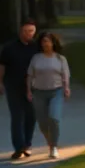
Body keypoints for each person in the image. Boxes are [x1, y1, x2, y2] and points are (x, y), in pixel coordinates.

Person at [0, 18, 38, 159]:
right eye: (25, 31)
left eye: (31, 31)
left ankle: (27, 145)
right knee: (17, 116)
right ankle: (19, 147)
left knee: (31, 116)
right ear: (20, 31)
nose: (28, 34)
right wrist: (0, 83)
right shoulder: (9, 47)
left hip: (33, 87)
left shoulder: (37, 47)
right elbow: (1, 66)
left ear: (34, 32)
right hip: (13, 85)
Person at [26, 31, 71, 159]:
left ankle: (54, 147)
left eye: (47, 41)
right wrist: (28, 90)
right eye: (43, 41)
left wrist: (67, 88)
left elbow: (65, 75)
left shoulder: (60, 59)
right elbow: (30, 75)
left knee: (54, 118)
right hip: (39, 92)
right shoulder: (36, 58)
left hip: (56, 91)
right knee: (42, 122)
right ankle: (50, 143)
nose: (45, 43)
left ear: (53, 43)